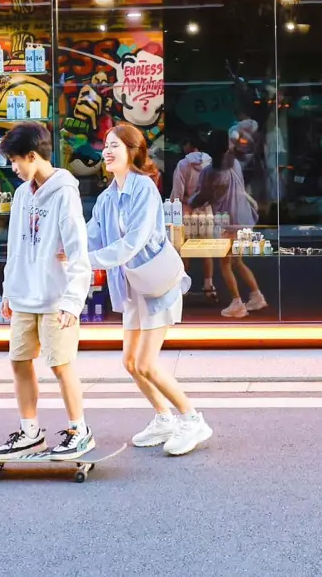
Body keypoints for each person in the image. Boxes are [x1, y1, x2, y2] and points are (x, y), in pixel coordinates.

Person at [89, 123, 213, 455]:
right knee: (130, 362)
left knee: (146, 363)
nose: (108, 150)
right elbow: (92, 233)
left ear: (134, 151)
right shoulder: (106, 198)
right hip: (131, 288)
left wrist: (85, 261)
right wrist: (63, 247)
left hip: (156, 284)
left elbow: (134, 242)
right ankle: (164, 418)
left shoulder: (144, 188)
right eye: (106, 145)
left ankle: (192, 419)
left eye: (116, 145)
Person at [0, 123, 95, 461]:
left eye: (15, 160)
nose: (13, 167)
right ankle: (30, 432)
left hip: (56, 297)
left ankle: (80, 431)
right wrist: (9, 289)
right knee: (19, 361)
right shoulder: (22, 194)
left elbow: (79, 250)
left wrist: (73, 301)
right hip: (24, 295)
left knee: (61, 365)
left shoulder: (65, 192)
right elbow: (16, 247)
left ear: (33, 156)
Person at [193, 129, 265, 318]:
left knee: (225, 264)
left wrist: (191, 202)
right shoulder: (235, 164)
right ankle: (256, 296)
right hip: (246, 220)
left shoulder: (210, 172)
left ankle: (237, 303)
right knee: (237, 261)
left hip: (229, 224)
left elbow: (201, 197)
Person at [171, 132, 215, 300]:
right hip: (207, 212)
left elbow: (177, 192)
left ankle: (184, 288)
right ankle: (208, 285)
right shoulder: (211, 163)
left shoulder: (183, 164)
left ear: (189, 144)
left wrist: (177, 203)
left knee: (185, 251)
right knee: (207, 252)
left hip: (187, 212)